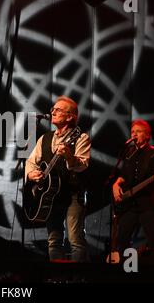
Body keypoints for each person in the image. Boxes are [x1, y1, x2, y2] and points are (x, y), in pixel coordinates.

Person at [25, 96, 91, 262]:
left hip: (73, 195)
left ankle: (77, 279)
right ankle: (57, 277)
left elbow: (83, 165)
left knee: (75, 240)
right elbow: (31, 162)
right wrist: (31, 174)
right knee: (54, 241)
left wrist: (70, 157)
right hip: (52, 196)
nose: (52, 112)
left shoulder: (80, 137)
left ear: (70, 117)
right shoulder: (45, 138)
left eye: (58, 110)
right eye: (53, 109)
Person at [112, 119, 154, 264]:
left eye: (138, 131)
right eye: (132, 132)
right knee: (122, 240)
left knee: (153, 240)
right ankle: (129, 270)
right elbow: (123, 175)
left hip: (147, 204)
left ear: (147, 135)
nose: (134, 134)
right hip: (130, 204)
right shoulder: (129, 153)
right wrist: (116, 185)